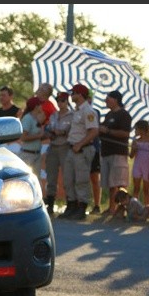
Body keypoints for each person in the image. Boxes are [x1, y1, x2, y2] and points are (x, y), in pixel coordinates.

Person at [59, 83, 99, 220]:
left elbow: (94, 131)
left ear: (80, 95)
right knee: (68, 179)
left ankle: (82, 207)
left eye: (73, 93)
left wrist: (80, 144)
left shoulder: (88, 111)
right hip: (72, 148)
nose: (71, 96)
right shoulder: (77, 110)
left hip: (82, 149)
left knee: (81, 179)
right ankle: (71, 205)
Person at [98, 90, 132, 215]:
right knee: (110, 183)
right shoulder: (108, 115)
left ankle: (122, 207)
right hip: (106, 152)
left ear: (116, 99)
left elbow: (125, 133)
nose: (106, 101)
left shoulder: (124, 115)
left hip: (118, 152)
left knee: (119, 182)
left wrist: (108, 131)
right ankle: (111, 207)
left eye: (108, 98)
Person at [43, 91, 73, 216]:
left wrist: (61, 132)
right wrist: (52, 132)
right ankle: (50, 203)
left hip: (65, 147)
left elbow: (70, 131)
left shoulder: (72, 116)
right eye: (58, 100)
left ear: (67, 101)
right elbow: (48, 129)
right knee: (51, 176)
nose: (60, 103)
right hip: (53, 145)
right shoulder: (54, 115)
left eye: (62, 101)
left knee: (67, 177)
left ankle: (69, 204)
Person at [18, 97, 45, 179]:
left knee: (36, 179)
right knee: (25, 179)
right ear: (36, 106)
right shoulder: (28, 118)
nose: (41, 107)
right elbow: (23, 137)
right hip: (27, 154)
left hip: (36, 153)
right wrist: (39, 136)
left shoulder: (36, 118)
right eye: (40, 105)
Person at [130, 119, 149, 206]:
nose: (135, 131)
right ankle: (134, 207)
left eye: (136, 129)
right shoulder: (135, 141)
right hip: (137, 166)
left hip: (148, 167)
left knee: (146, 190)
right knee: (136, 188)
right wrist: (134, 149)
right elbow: (131, 156)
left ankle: (148, 208)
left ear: (142, 130)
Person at [89, 96, 103, 214]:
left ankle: (97, 205)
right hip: (81, 149)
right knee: (80, 177)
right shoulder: (76, 113)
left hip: (94, 149)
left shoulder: (95, 112)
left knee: (95, 177)